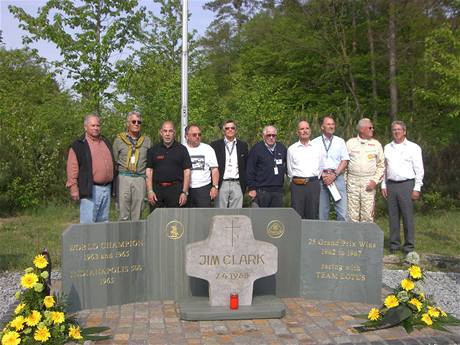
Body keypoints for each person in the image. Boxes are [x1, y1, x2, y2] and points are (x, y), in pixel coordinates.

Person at [381, 121, 424, 254]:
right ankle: (394, 245)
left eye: (399, 129)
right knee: (393, 217)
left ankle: (409, 246)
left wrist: (417, 188)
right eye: (394, 129)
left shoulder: (413, 148)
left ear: (404, 131)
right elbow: (383, 168)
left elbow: (419, 170)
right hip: (391, 185)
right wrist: (383, 185)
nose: (397, 132)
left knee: (407, 216)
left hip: (407, 184)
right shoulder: (387, 147)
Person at [66, 114, 115, 224]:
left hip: (106, 188)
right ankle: (86, 242)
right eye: (92, 125)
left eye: (98, 125)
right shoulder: (79, 145)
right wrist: (73, 188)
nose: (96, 128)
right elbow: (72, 168)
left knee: (103, 222)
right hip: (90, 189)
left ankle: (100, 242)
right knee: (88, 224)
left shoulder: (105, 142)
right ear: (85, 127)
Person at [113, 111, 152, 220]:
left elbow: (149, 162)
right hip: (124, 178)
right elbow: (115, 159)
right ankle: (122, 236)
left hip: (140, 178)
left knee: (138, 211)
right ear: (128, 123)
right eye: (133, 121)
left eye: (139, 122)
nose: (136, 124)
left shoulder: (147, 141)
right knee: (123, 212)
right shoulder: (119, 140)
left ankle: (136, 237)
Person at [346, 118, 384, 223]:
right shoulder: (350, 143)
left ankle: (367, 239)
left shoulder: (376, 145)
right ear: (362, 129)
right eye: (370, 127)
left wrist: (374, 181)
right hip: (352, 181)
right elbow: (344, 164)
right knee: (351, 214)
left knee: (367, 214)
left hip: (368, 181)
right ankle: (353, 239)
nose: (373, 129)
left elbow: (381, 166)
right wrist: (346, 182)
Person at [146, 121, 191, 208]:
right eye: (165, 131)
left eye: (170, 131)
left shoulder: (182, 150)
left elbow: (187, 172)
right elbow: (149, 171)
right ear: (161, 133)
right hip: (157, 191)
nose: (167, 134)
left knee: (175, 220)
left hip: (176, 191)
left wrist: (184, 192)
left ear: (174, 133)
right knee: (157, 219)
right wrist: (150, 191)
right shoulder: (153, 150)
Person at [312, 116, 349, 221]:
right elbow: (313, 162)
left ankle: (342, 236)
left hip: (337, 178)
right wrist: (323, 175)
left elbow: (345, 161)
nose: (331, 126)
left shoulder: (340, 141)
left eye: (333, 124)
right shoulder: (315, 142)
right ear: (322, 127)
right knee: (322, 212)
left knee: (342, 211)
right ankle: (321, 237)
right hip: (321, 179)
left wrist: (334, 175)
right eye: (328, 124)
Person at [287, 120, 322, 219]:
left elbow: (321, 167)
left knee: (313, 213)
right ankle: (297, 234)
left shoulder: (317, 148)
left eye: (307, 128)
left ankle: (312, 235)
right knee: (297, 214)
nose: (304, 131)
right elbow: (290, 170)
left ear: (310, 131)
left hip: (313, 184)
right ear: (297, 132)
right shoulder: (292, 149)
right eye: (302, 129)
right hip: (297, 185)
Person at [246, 125, 287, 207]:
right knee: (262, 217)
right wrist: (251, 188)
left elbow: (287, 165)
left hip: (278, 191)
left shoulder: (281, 148)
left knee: (276, 218)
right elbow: (250, 169)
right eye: (268, 135)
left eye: (273, 135)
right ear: (263, 136)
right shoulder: (256, 149)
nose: (271, 137)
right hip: (262, 191)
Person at [211, 120, 249, 208]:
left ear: (236, 130)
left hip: (237, 183)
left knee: (236, 214)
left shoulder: (243, 145)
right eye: (227, 128)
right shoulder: (215, 145)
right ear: (224, 130)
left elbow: (246, 166)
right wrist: (214, 185)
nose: (230, 130)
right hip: (222, 183)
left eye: (232, 128)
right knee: (220, 213)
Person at [185, 124, 219, 207]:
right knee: (186, 216)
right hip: (186, 188)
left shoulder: (208, 149)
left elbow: (214, 170)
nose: (197, 136)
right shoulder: (182, 149)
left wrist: (215, 187)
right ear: (186, 136)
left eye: (199, 134)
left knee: (204, 216)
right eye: (194, 134)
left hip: (204, 188)